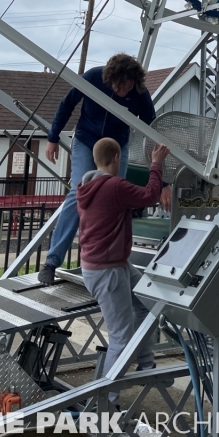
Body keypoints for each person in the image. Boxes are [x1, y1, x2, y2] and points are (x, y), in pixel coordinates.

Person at [38, 52, 170, 285]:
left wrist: (164, 183)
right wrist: (53, 137)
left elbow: (153, 135)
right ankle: (52, 261)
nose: (123, 92)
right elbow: (67, 104)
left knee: (116, 196)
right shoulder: (93, 78)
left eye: (127, 87)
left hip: (117, 144)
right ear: (109, 80)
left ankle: (115, 258)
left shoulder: (140, 93)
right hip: (87, 141)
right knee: (79, 190)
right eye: (118, 87)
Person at [77, 136, 169, 398]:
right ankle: (108, 399)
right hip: (108, 271)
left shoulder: (86, 186)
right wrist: (156, 164)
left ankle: (146, 365)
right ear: (117, 158)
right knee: (121, 337)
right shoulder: (114, 186)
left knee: (147, 302)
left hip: (110, 266)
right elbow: (150, 195)